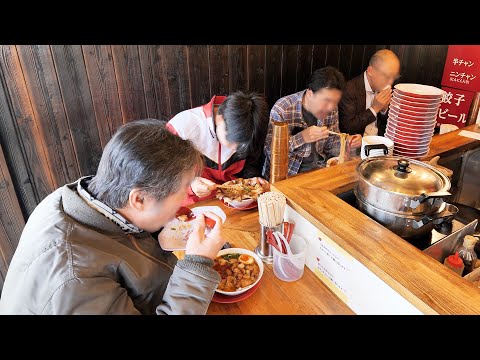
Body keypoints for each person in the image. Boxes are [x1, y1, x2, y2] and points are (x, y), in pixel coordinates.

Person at [0, 119, 226, 315]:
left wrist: (162, 226)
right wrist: (197, 265)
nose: (186, 197)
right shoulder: (75, 281)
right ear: (139, 200)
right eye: (184, 190)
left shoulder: (84, 199)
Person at [167, 91, 270, 205]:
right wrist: (190, 185)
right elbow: (161, 180)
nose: (236, 151)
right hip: (193, 206)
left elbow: (250, 163)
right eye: (232, 144)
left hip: (234, 202)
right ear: (220, 120)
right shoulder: (181, 129)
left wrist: (252, 179)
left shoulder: (249, 125)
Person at [262, 66, 362, 180]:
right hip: (288, 176)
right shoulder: (283, 109)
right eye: (327, 101)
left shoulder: (331, 109)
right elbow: (269, 151)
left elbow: (332, 144)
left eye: (335, 102)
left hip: (319, 171)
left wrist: (348, 143)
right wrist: (302, 137)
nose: (331, 107)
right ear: (310, 93)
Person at [338, 49, 401, 137]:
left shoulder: (384, 89)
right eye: (386, 76)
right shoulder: (349, 90)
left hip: (380, 143)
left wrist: (384, 110)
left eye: (393, 77)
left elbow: (391, 128)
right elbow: (346, 128)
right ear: (370, 71)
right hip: (358, 147)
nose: (390, 82)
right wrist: (374, 109)